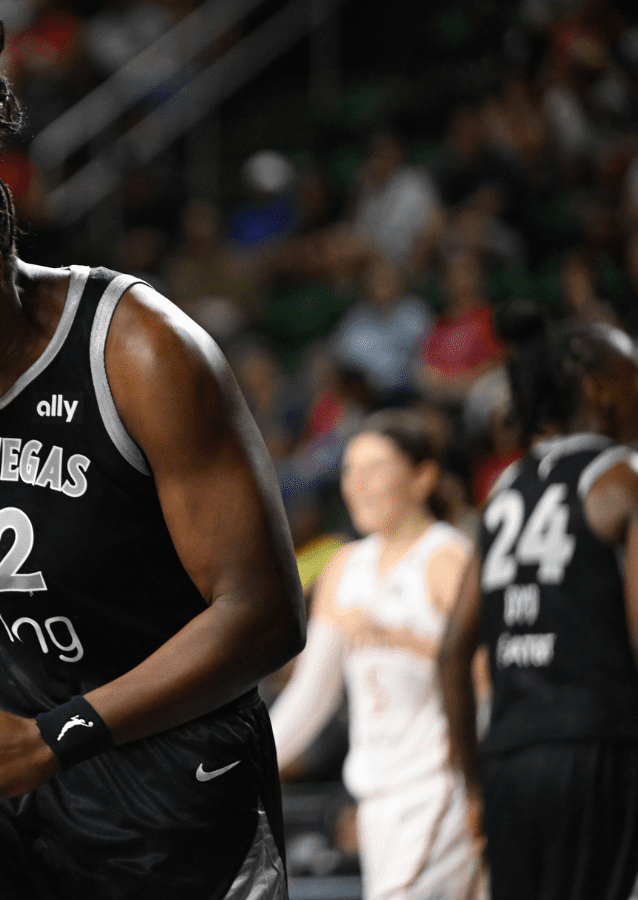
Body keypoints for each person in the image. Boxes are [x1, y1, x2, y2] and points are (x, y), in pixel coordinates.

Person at [0, 13, 305, 899]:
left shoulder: (141, 354)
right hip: (2, 793)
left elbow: (263, 613)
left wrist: (60, 735)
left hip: (170, 794)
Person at [439, 304, 638, 900]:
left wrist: (473, 786)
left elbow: (451, 654)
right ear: (600, 389)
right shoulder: (621, 477)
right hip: (600, 744)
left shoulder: (506, 487)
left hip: (509, 759)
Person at [270, 408, 484, 899]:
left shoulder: (447, 557)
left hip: (439, 786)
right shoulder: (345, 566)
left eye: (375, 469)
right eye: (350, 470)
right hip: (376, 799)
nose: (357, 484)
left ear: (423, 477)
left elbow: (487, 677)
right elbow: (310, 697)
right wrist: (252, 763)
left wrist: (404, 640)